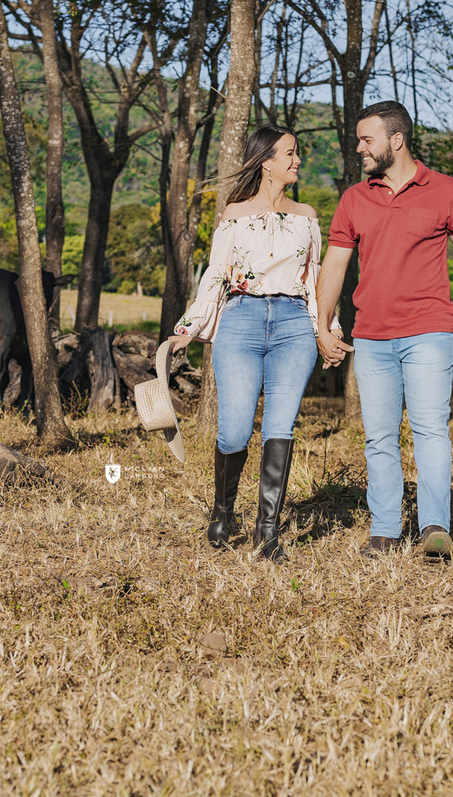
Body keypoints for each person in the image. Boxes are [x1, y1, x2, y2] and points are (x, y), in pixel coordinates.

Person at [315, 100, 453, 558]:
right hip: (371, 336)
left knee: (430, 430)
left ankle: (435, 528)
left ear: (396, 140)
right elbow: (334, 264)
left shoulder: (445, 190)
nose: (359, 148)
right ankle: (385, 531)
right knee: (378, 436)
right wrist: (323, 324)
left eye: (366, 139)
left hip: (429, 331)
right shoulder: (355, 198)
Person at [168, 125, 336, 563]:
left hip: (294, 325)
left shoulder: (308, 216)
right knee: (236, 429)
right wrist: (188, 327)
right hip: (240, 321)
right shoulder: (234, 214)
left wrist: (327, 330)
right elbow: (216, 277)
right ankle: (223, 511)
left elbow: (316, 281)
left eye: (298, 154)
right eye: (289, 154)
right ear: (266, 162)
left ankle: (267, 531)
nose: (297, 161)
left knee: (281, 428)